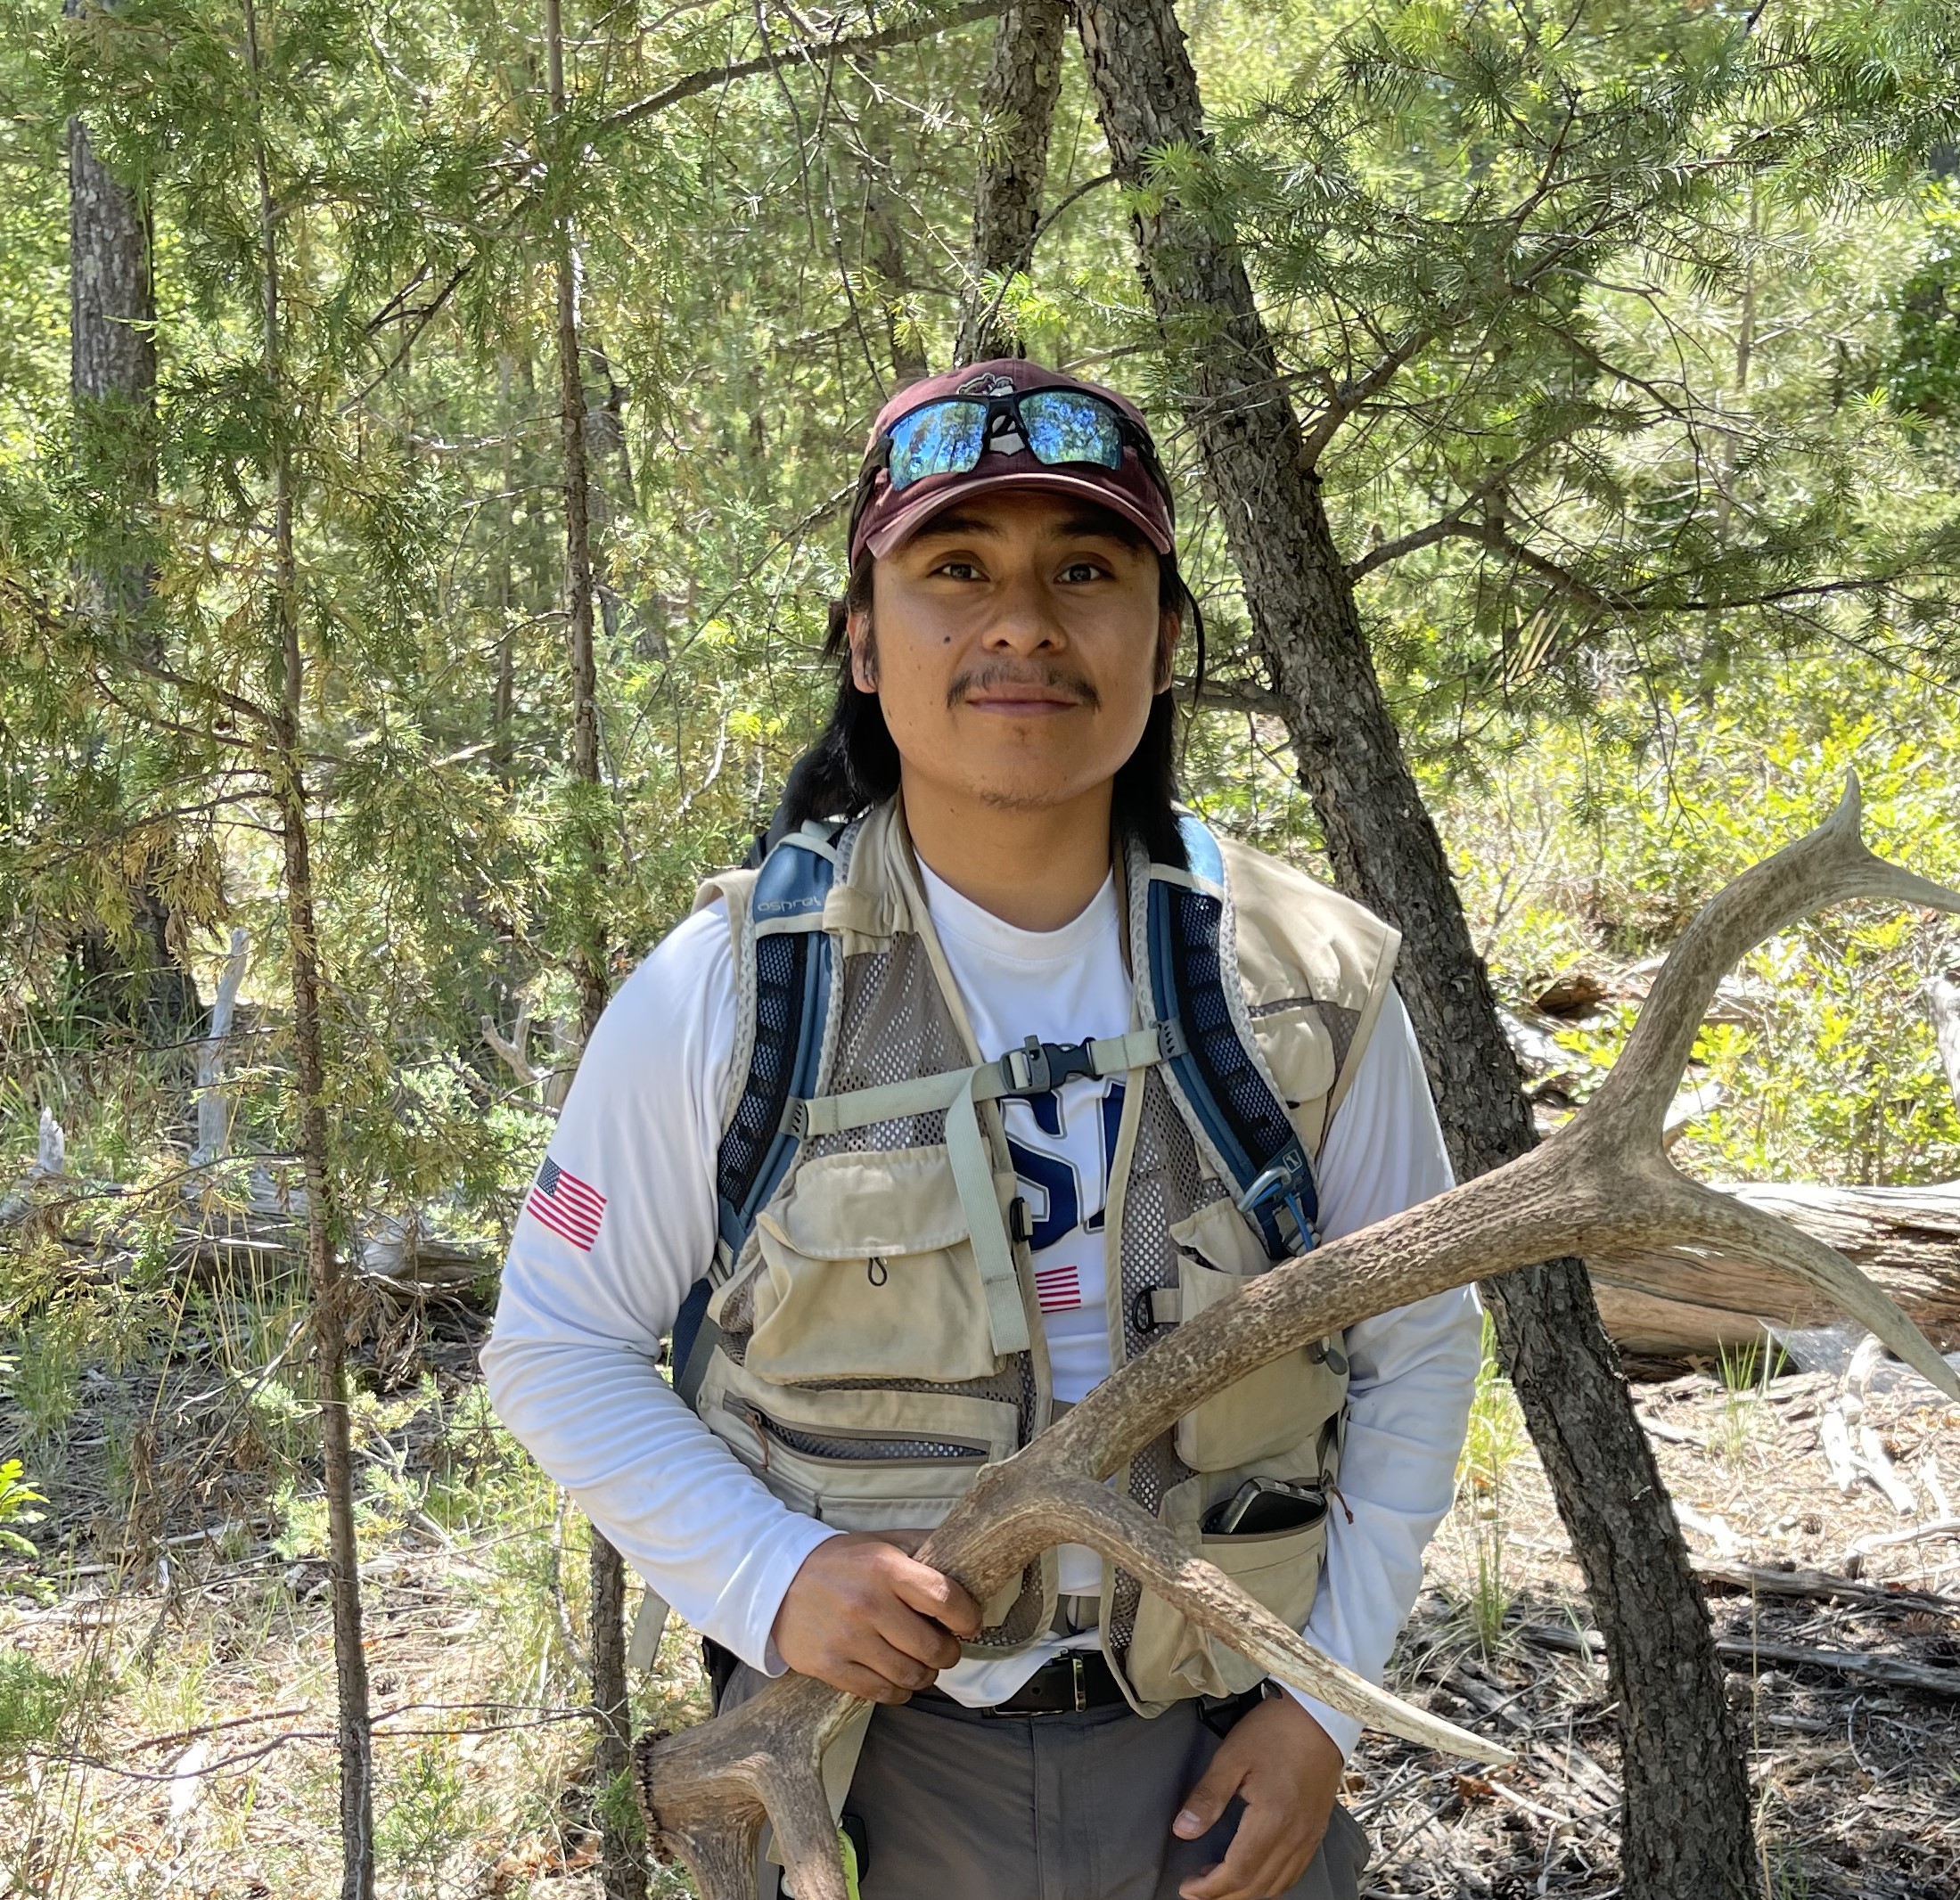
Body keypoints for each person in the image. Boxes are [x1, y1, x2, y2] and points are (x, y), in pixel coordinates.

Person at [483, 358, 1480, 1900]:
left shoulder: (1309, 983)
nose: (1023, 620)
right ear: (866, 645)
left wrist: (1324, 1704)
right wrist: (775, 1577)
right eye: (958, 569)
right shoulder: (731, 996)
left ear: (1163, 635)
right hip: (861, 1773)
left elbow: (1419, 1340)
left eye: (1086, 569)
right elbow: (555, 1342)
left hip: (1222, 1764)